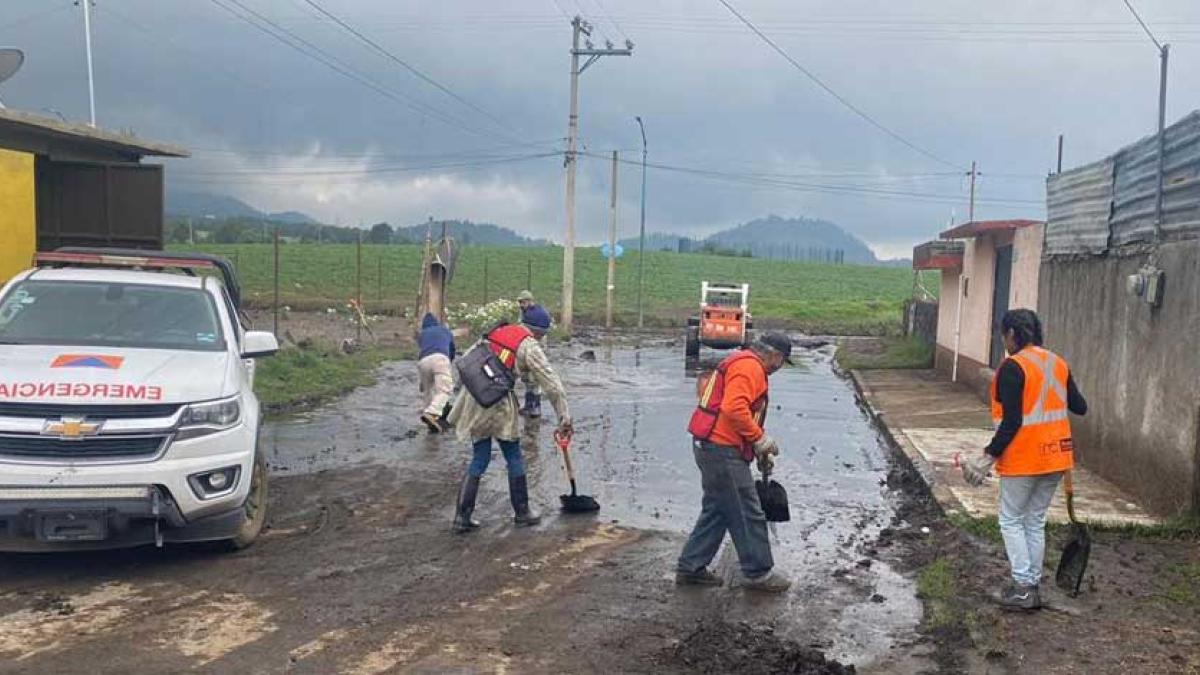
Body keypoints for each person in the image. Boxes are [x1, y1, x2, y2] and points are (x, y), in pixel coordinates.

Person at [961, 308, 1087, 611]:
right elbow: (1080, 407)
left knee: (1011, 520)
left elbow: (1013, 420)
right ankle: (1030, 585)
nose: (1003, 341)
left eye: (1004, 335)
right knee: (1034, 520)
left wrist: (987, 456)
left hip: (1026, 457)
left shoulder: (1013, 366)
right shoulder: (1057, 363)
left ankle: (1023, 586)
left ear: (1012, 334)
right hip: (1057, 458)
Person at [676, 333, 794, 593]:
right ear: (774, 355)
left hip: (712, 445)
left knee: (718, 511)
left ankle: (690, 567)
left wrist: (757, 447)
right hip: (721, 449)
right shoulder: (749, 367)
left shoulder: (743, 363)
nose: (780, 367)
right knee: (746, 509)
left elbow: (740, 412)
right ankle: (758, 572)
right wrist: (759, 438)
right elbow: (733, 409)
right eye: (782, 360)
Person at [447, 309, 572, 533]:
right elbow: (551, 383)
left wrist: (455, 393)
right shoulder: (529, 345)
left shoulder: (498, 330)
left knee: (480, 456)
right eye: (543, 335)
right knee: (513, 454)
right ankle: (522, 512)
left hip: (475, 397)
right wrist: (564, 416)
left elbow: (467, 361)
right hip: (497, 401)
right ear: (539, 332)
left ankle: (462, 517)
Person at [417, 312, 456, 433]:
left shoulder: (422, 334)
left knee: (428, 391)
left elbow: (423, 350)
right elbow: (452, 349)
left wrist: (422, 382)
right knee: (445, 390)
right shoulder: (445, 330)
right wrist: (450, 362)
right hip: (440, 358)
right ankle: (432, 413)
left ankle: (429, 417)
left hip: (423, 361)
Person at [515, 290, 550, 418]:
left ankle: (535, 407)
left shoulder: (536, 315)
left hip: (536, 348)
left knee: (535, 378)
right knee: (527, 378)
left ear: (529, 301)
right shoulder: (529, 312)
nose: (520, 305)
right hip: (530, 347)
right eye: (520, 302)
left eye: (523, 302)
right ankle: (529, 405)